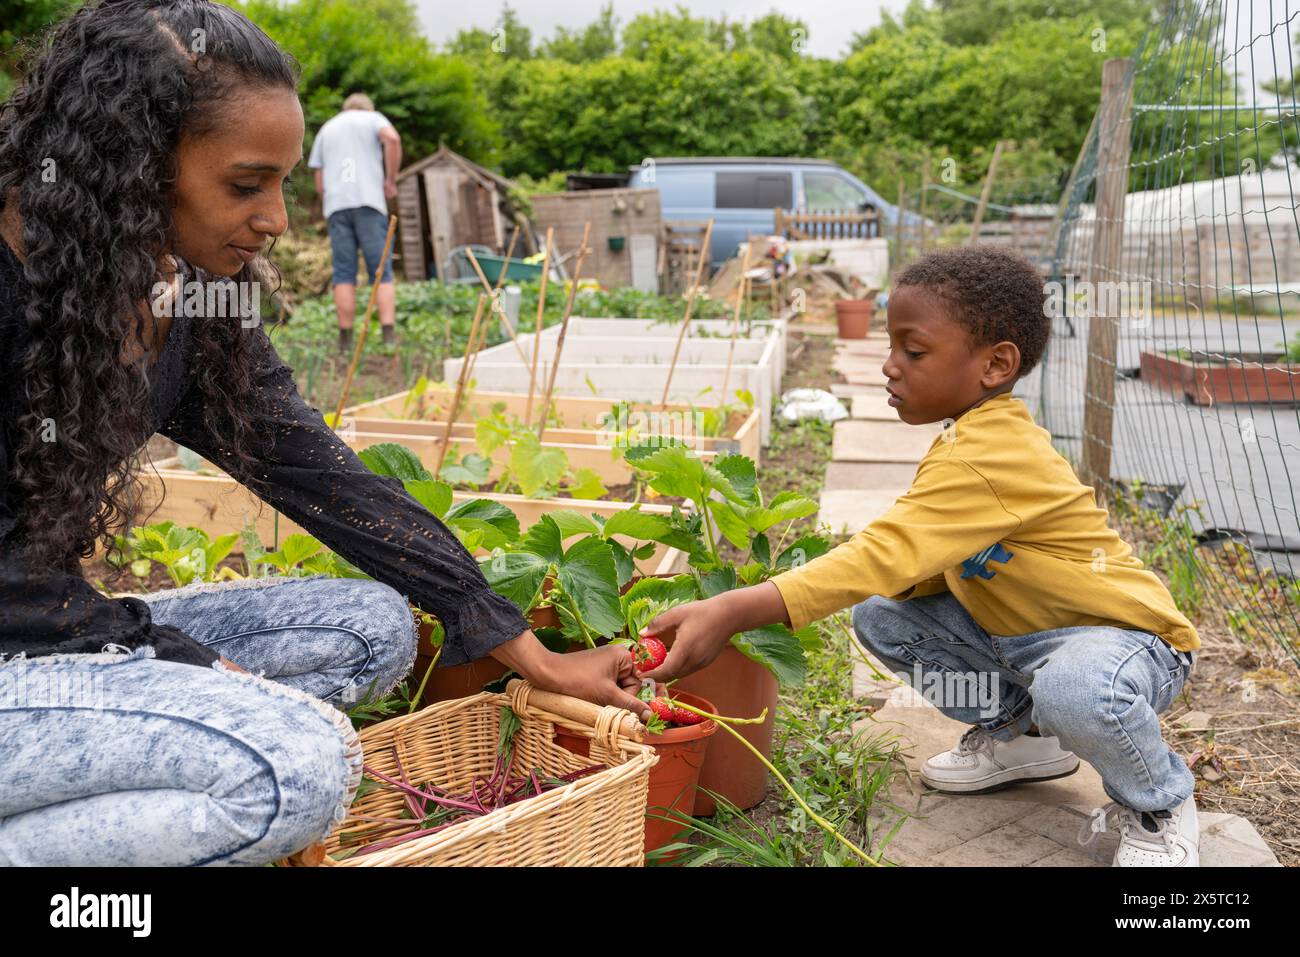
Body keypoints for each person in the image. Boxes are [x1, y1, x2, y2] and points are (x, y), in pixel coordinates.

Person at [0, 0, 648, 866]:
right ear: (135, 163)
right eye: (244, 184)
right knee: (297, 770)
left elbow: (324, 476)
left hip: (56, 645)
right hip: (27, 647)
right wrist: (171, 655)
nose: (276, 218)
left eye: (281, 181)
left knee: (371, 630)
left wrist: (518, 643)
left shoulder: (180, 293)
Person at [640, 245, 1203, 868]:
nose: (889, 366)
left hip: (1124, 643)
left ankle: (1159, 803)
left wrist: (735, 608)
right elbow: (910, 560)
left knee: (1075, 689)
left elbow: (885, 551)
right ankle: (1024, 738)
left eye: (913, 351)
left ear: (995, 365)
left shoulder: (996, 451)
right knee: (884, 618)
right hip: (1026, 642)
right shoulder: (967, 436)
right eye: (891, 347)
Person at [308, 91, 400, 352]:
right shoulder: (373, 119)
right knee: (381, 271)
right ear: (367, 108)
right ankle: (388, 336)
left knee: (344, 272)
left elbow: (319, 182)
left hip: (338, 207)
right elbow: (392, 139)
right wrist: (390, 181)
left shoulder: (328, 128)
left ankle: (346, 340)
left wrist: (335, 195)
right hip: (370, 203)